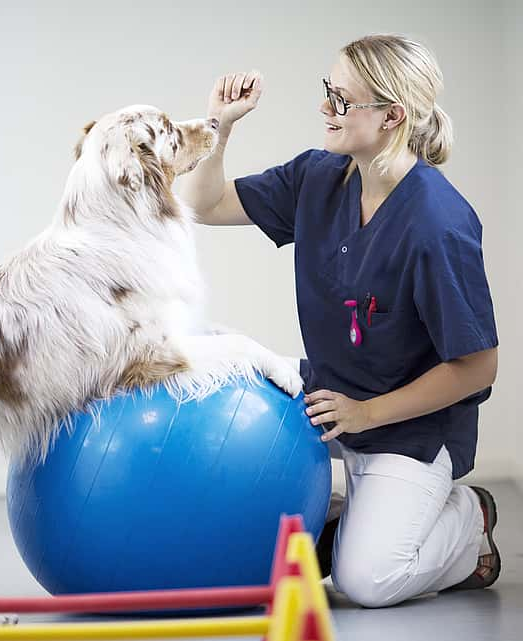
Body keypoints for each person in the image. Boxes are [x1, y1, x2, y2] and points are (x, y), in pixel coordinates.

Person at [180, 34, 500, 608]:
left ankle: (469, 519)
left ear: (391, 116)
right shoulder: (318, 177)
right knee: (216, 357)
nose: (326, 108)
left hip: (408, 429)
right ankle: (347, 510)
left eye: (342, 100)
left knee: (366, 581)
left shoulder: (437, 223)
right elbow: (205, 205)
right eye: (327, 92)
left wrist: (367, 412)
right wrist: (219, 127)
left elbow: (477, 366)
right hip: (330, 398)